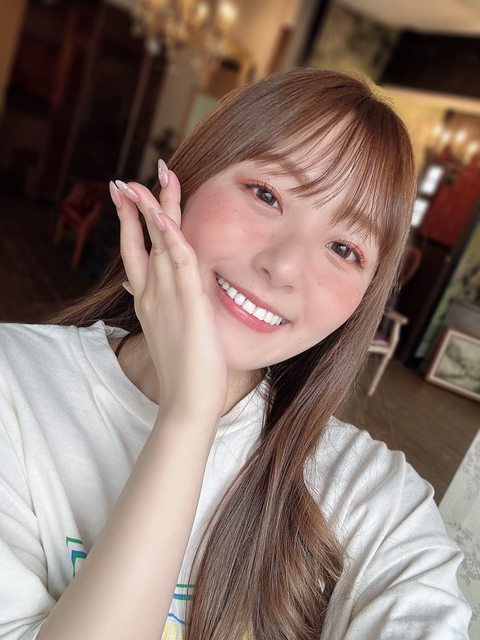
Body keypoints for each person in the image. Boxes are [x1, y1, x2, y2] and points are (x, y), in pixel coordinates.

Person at [0, 69, 471, 639]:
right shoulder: (13, 385)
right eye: (267, 195)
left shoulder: (371, 497)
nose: (285, 266)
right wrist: (188, 416)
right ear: (189, 180)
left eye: (344, 248)